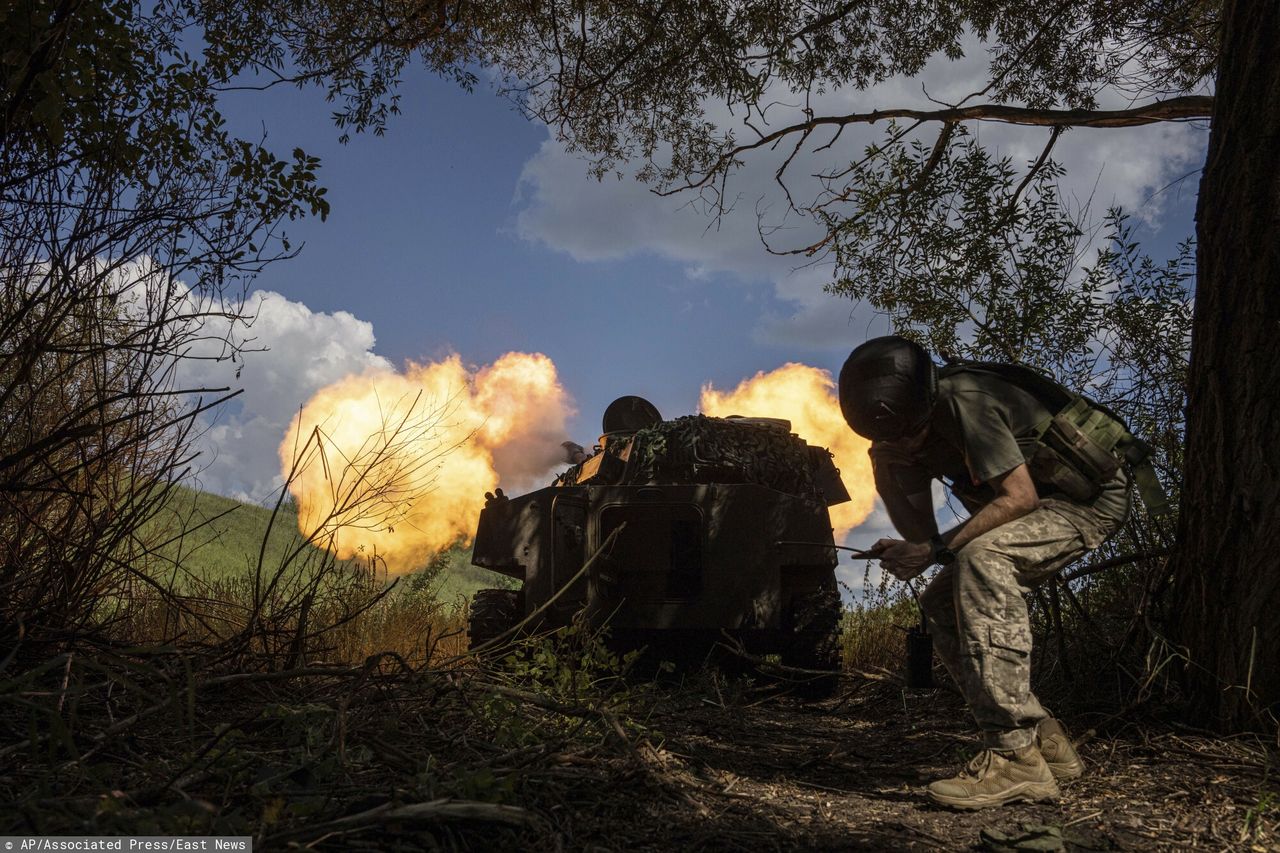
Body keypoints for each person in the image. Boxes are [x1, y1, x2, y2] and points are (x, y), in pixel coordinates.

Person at [837, 336, 1131, 810]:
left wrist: (933, 550)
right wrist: (893, 471)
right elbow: (920, 535)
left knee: (983, 559)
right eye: (888, 437)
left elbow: (1020, 500)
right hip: (1036, 506)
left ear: (925, 403)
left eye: (907, 432)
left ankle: (1014, 757)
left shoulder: (965, 401)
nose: (901, 442)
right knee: (938, 598)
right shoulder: (897, 439)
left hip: (1084, 503)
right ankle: (1046, 741)